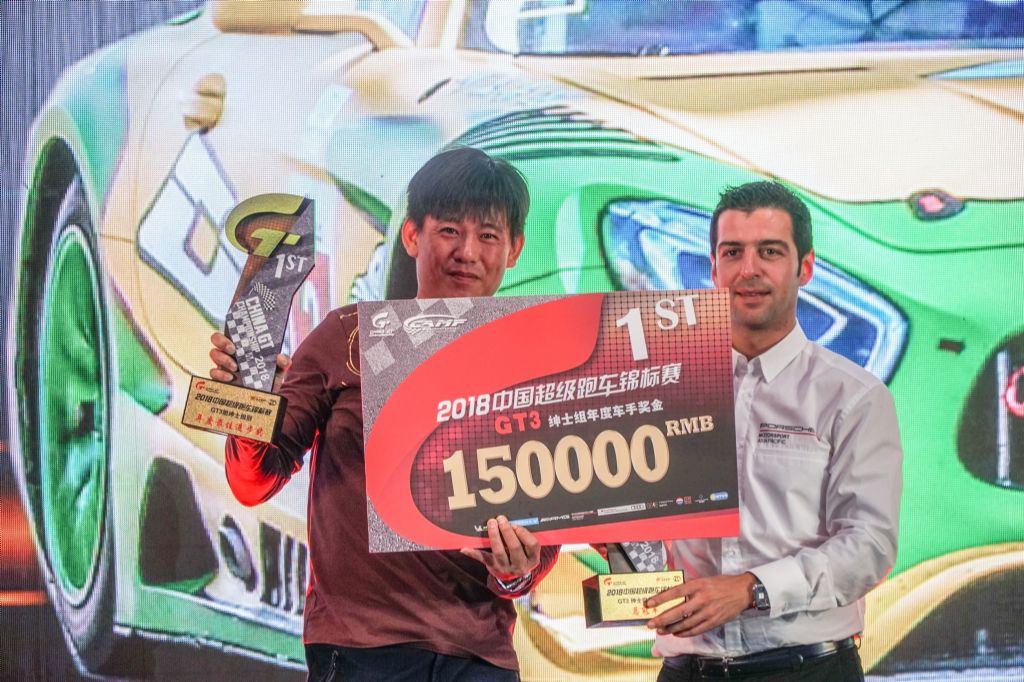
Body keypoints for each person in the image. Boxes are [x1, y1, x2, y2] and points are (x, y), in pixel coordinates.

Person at [209, 147, 559, 681]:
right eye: (449, 230)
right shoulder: (346, 336)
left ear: (514, 250)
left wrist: (518, 571)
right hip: (362, 651)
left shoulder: (535, 366)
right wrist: (249, 402)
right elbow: (252, 481)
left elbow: (545, 537)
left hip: (481, 658)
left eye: (488, 235)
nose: (467, 252)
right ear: (412, 235)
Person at [644, 181, 902, 681]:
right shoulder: (664, 389)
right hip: (685, 668)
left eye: (770, 252)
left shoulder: (853, 396)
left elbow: (869, 545)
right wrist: (614, 538)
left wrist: (750, 588)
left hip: (808, 669)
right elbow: (647, 535)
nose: (749, 269)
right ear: (713, 268)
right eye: (732, 252)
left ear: (805, 267)